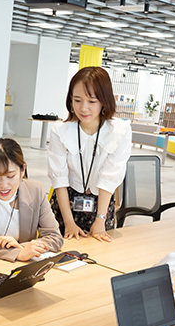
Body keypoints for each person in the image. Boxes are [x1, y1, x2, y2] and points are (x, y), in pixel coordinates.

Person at [48, 66, 131, 242]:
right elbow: (59, 179)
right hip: (65, 205)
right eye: (77, 100)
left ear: (104, 101)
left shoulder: (119, 131)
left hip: (100, 204)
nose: (83, 108)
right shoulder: (60, 131)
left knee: (100, 252)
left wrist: (100, 220)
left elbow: (110, 177)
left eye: (92, 101)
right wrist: (69, 222)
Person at [0, 138, 63, 261]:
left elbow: (54, 237)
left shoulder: (35, 190)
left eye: (10, 176)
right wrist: (15, 253)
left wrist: (23, 248)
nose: (3, 185)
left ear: (22, 170)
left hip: (20, 265)